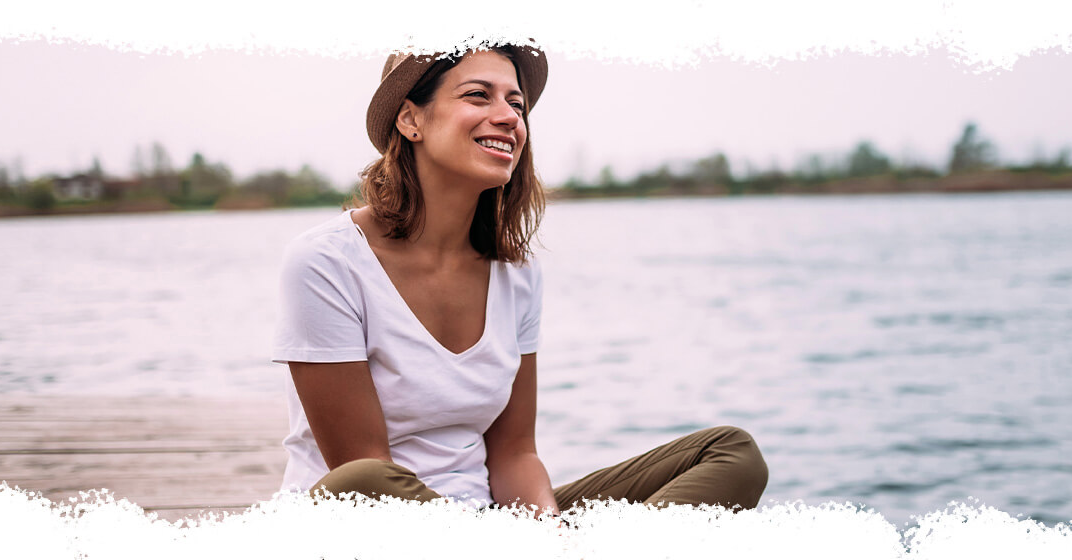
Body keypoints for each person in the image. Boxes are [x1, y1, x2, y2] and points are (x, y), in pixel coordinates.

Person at [271, 42, 767, 515]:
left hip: (491, 525)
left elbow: (514, 455)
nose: (509, 116)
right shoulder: (326, 262)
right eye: (477, 95)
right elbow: (361, 465)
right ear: (410, 118)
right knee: (362, 480)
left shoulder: (516, 273)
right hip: (376, 524)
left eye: (516, 102)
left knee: (730, 453)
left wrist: (544, 534)